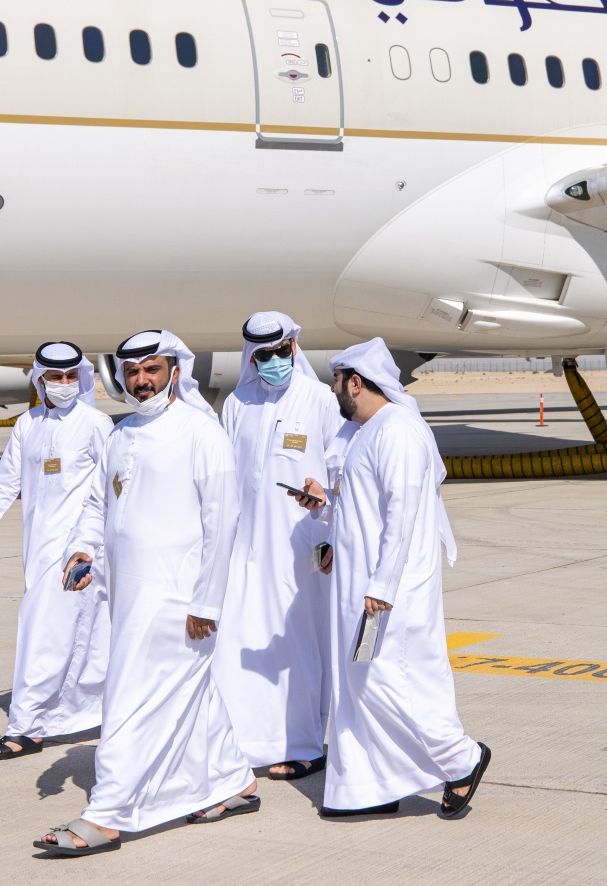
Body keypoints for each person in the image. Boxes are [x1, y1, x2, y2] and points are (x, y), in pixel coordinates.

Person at [38, 330, 255, 857]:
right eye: (132, 372)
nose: (141, 381)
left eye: (152, 370)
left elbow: (223, 521)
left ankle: (108, 814)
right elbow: (98, 503)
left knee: (131, 699)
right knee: (191, 693)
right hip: (130, 595)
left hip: (179, 599)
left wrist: (207, 602)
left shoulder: (201, 433)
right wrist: (82, 549)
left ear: (175, 371)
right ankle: (234, 779)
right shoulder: (121, 434)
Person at [299, 338, 489, 821]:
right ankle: (371, 786)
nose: (334, 391)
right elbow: (364, 506)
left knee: (388, 685)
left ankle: (461, 759)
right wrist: (327, 512)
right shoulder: (367, 431)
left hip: (389, 593)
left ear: (356, 383)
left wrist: (381, 586)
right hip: (360, 587)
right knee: (358, 684)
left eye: (337, 382)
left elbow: (401, 515)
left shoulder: (398, 431)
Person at [0, 342, 114, 761]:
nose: (63, 385)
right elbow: (6, 483)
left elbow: (113, 488)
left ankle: (25, 727)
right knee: (72, 640)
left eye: (69, 377)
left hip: (77, 552)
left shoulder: (97, 424)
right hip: (37, 550)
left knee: (41, 635)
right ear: (39, 380)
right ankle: (72, 716)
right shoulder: (27, 424)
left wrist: (96, 546)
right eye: (54, 378)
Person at [214, 311, 343, 780]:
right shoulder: (238, 402)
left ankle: (305, 743)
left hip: (300, 549)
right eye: (261, 355)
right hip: (244, 548)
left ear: (293, 347)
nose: (272, 361)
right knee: (240, 642)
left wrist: (329, 529)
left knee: (299, 649)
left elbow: (338, 477)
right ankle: (246, 743)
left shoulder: (320, 401)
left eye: (279, 352)